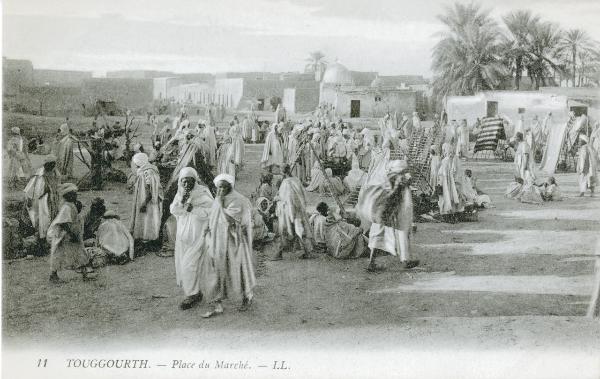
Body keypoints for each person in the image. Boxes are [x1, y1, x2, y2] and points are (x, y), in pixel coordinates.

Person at [203, 174, 256, 317]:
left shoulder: (237, 199)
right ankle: (217, 302)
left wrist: (220, 204)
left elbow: (230, 219)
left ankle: (247, 296)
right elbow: (213, 216)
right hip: (217, 239)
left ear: (230, 186)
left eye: (223, 187)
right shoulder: (218, 199)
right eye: (218, 187)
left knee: (238, 270)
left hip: (233, 241)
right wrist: (208, 228)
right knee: (216, 270)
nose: (220, 190)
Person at [356, 160, 418, 271]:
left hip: (381, 211)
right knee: (402, 233)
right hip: (392, 211)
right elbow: (400, 194)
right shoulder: (400, 178)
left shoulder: (386, 176)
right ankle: (405, 260)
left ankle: (371, 262)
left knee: (377, 235)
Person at [170, 167, 215, 310]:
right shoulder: (180, 194)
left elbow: (212, 213)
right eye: (183, 181)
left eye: (189, 181)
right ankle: (195, 291)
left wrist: (193, 209)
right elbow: (174, 210)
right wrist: (181, 203)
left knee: (188, 265)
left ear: (195, 181)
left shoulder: (203, 194)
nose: (186, 184)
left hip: (199, 236)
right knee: (186, 264)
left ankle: (192, 294)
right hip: (183, 237)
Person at [46, 183, 92, 283]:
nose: (75, 196)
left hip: (72, 234)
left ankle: (85, 274)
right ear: (67, 196)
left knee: (80, 252)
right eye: (73, 194)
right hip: (65, 236)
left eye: (76, 194)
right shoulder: (66, 207)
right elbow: (63, 223)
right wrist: (71, 234)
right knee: (59, 255)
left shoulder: (71, 205)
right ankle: (53, 275)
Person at [272, 164, 314, 260]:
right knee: (300, 230)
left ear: (283, 172)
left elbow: (287, 198)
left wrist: (277, 198)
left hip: (289, 210)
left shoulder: (286, 183)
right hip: (298, 210)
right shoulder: (296, 180)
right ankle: (308, 251)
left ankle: (279, 253)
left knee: (284, 231)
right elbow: (302, 195)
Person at [24, 155, 61, 252]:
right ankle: (43, 240)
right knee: (43, 220)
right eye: (51, 165)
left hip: (52, 200)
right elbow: (34, 190)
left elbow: (57, 185)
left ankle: (51, 239)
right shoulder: (40, 175)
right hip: (42, 202)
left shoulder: (55, 173)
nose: (52, 167)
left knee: (52, 218)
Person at [130, 152, 163, 246]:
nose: (135, 165)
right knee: (146, 219)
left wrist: (144, 202)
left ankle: (149, 239)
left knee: (148, 218)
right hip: (144, 198)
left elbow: (150, 189)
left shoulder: (147, 171)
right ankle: (146, 237)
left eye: (136, 162)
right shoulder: (147, 169)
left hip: (147, 200)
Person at [437, 143, 464, 220]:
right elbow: (457, 171)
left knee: (446, 197)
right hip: (453, 181)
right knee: (453, 196)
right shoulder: (455, 159)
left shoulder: (445, 160)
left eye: (444, 150)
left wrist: (440, 181)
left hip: (446, 182)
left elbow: (441, 172)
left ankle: (447, 213)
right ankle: (453, 213)